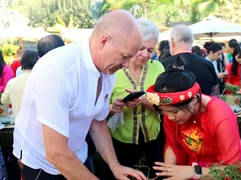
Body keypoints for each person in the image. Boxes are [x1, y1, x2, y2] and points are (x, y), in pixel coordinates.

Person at [13, 10, 146, 180]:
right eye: (124, 56)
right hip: (41, 164)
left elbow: (97, 121)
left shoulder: (107, 72)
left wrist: (115, 166)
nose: (127, 65)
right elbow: (56, 153)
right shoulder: (58, 71)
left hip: (77, 155)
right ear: (104, 41)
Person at [145, 56, 241, 180]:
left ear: (193, 99)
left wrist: (194, 171)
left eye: (175, 112)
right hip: (190, 170)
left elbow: (234, 170)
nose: (170, 117)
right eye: (164, 112)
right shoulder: (170, 111)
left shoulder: (220, 115)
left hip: (217, 172)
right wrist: (168, 172)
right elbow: (172, 144)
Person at [98, 18, 164, 180]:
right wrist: (113, 108)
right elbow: (97, 115)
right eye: (140, 48)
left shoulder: (158, 68)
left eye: (150, 50)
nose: (145, 55)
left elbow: (166, 106)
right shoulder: (114, 69)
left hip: (152, 140)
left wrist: (144, 101)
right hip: (121, 141)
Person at [161, 24, 218, 96]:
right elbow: (214, 92)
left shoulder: (162, 65)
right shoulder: (208, 64)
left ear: (172, 42)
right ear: (192, 41)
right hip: (202, 105)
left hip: (172, 107)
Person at [1, 49, 39, 121]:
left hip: (19, 126)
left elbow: (4, 100)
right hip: (38, 128)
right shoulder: (42, 81)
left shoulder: (12, 83)